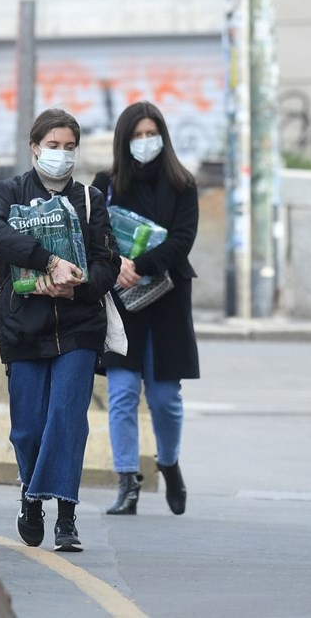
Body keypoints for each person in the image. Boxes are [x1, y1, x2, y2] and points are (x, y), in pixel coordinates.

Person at [0, 108, 121, 552]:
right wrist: (49, 261)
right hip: (24, 326)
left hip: (79, 327)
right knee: (27, 428)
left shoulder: (89, 200)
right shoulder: (9, 192)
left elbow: (108, 262)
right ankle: (30, 497)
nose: (61, 155)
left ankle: (66, 515)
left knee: (66, 418)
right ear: (35, 146)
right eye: (53, 145)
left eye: (69, 147)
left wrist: (74, 290)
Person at [92, 101, 200, 517]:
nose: (144, 142)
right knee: (121, 393)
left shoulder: (182, 184)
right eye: (136, 135)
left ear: (163, 136)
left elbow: (182, 239)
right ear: (124, 141)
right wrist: (117, 265)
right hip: (122, 300)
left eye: (150, 134)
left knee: (164, 397)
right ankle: (127, 483)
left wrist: (142, 266)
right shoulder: (107, 183)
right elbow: (96, 233)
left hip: (168, 297)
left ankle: (169, 464)